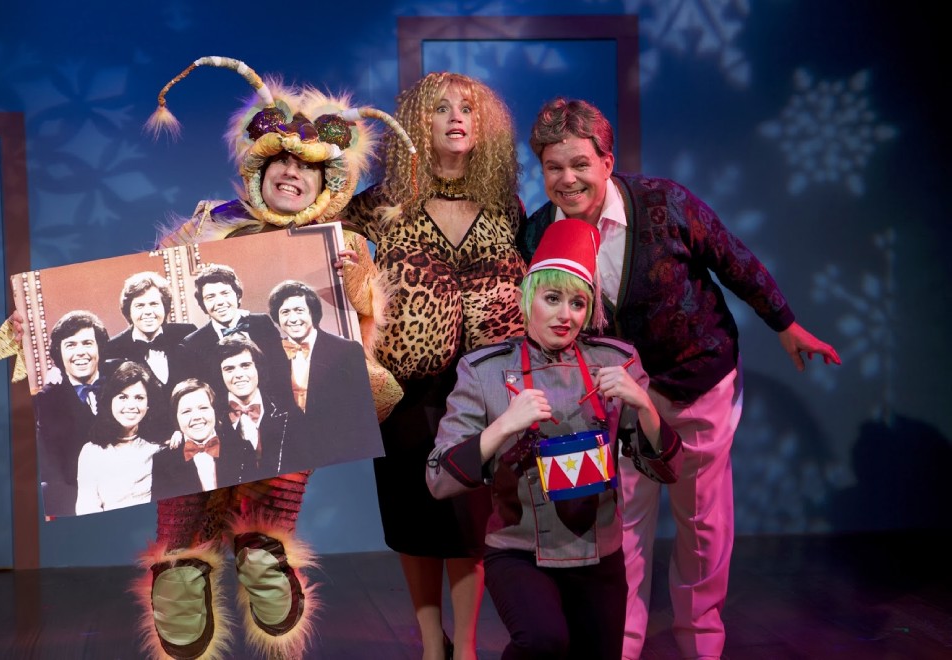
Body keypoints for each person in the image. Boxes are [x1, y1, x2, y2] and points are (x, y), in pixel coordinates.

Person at [516, 97, 842, 660]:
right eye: (553, 167)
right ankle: (621, 642)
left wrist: (785, 323)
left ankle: (700, 640)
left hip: (696, 379)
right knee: (621, 523)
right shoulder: (539, 233)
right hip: (615, 398)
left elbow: (733, 258)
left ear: (607, 161)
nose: (567, 179)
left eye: (580, 164)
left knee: (701, 520)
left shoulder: (664, 202)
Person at [133, 56, 412, 660]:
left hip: (285, 401)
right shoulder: (210, 225)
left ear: (326, 185)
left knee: (271, 497)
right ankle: (181, 577)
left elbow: (362, 332)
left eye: (307, 167)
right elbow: (140, 293)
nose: (291, 172)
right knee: (184, 501)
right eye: (281, 161)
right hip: (198, 397)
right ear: (258, 169)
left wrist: (358, 287)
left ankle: (266, 559)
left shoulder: (343, 247)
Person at [427, 218, 682, 659]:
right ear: (526, 299)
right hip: (518, 550)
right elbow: (438, 479)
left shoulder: (616, 362)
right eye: (552, 299)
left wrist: (644, 406)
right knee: (543, 641)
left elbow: (670, 468)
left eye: (578, 303)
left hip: (601, 553)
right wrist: (504, 425)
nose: (566, 316)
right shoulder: (484, 371)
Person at [340, 71, 526, 660]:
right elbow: (325, 251)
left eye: (467, 108)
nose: (456, 118)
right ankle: (430, 644)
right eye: (441, 108)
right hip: (406, 390)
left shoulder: (506, 207)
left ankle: (465, 647)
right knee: (414, 517)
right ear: (419, 123)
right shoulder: (381, 203)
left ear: (484, 125)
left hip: (481, 388)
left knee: (471, 519)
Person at [266, 279, 379, 465]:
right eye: (285, 312)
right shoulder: (268, 356)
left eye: (299, 310)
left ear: (312, 312)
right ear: (277, 317)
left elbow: (363, 413)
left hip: (343, 456)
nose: (292, 319)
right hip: (291, 460)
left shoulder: (348, 351)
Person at [33, 310, 114, 518]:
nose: (80, 352)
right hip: (79, 501)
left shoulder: (119, 379)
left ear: (99, 347)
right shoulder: (49, 398)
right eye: (70, 345)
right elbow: (52, 470)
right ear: (59, 352)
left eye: (87, 343)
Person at [180, 263, 290, 405]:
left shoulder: (262, 323)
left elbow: (281, 373)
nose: (220, 302)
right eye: (210, 297)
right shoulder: (193, 344)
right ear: (203, 304)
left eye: (225, 293)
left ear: (237, 295)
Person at [76, 361, 164, 514]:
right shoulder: (91, 452)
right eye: (123, 397)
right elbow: (86, 508)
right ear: (110, 401)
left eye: (139, 398)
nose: (131, 405)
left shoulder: (159, 448)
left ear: (148, 404)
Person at [217, 335, 303, 481]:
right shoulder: (213, 419)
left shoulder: (289, 412)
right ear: (220, 374)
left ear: (258, 368)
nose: (239, 375)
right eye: (229, 369)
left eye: (245, 365)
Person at [150, 378, 249, 501]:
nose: (196, 417)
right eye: (186, 411)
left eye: (203, 408)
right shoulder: (163, 462)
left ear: (214, 411)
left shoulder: (242, 449)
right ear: (176, 419)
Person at [106, 271, 196, 393]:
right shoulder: (113, 349)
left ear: (164, 307)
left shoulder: (186, 334)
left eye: (154, 304)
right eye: (140, 305)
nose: (148, 311)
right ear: (128, 311)